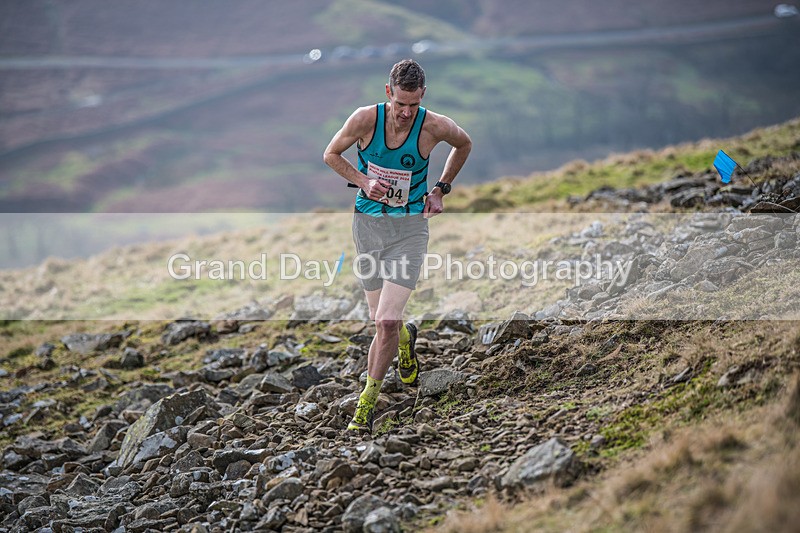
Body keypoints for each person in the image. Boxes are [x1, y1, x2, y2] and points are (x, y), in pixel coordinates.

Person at [323, 59, 472, 432]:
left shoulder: (434, 125)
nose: (406, 113)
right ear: (388, 92)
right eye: (400, 104)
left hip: (410, 229)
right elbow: (331, 154)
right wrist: (362, 180)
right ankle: (406, 341)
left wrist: (441, 189)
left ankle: (366, 404)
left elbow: (464, 143)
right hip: (368, 226)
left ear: (423, 96)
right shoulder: (364, 120)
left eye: (414, 105)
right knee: (380, 321)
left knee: (386, 321)